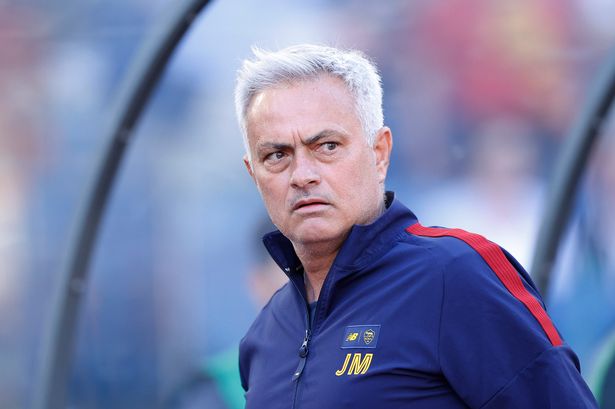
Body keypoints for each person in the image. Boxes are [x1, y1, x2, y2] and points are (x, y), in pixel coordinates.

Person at [234, 44, 598, 408]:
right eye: (276, 155)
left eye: (327, 146)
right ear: (253, 174)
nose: (302, 175)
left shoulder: (455, 275)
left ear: (380, 153)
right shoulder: (264, 336)